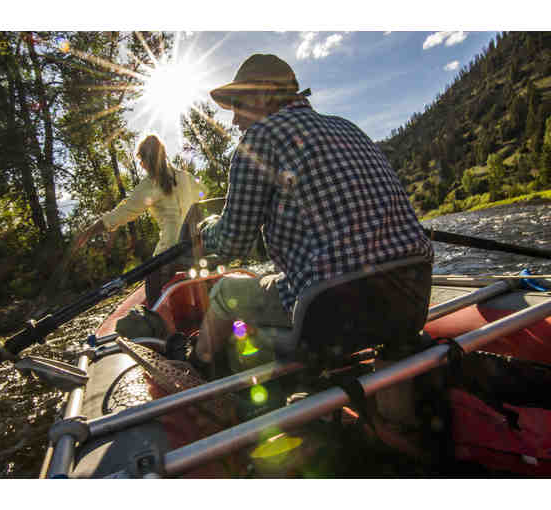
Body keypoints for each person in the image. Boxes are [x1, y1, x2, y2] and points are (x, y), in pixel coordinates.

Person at [190, 54, 434, 368]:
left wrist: (204, 232)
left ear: (264, 94)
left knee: (225, 292)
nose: (234, 119)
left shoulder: (260, 139)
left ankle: (197, 368)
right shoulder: (348, 127)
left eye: (238, 104)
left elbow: (233, 242)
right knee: (285, 278)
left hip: (333, 311)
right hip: (413, 296)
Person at [74, 134, 205, 306]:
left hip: (171, 254)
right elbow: (204, 192)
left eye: (141, 160)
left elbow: (122, 213)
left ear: (145, 160)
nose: (141, 165)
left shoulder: (150, 184)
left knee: (152, 281)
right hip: (198, 249)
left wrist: (88, 232)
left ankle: (156, 323)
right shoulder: (186, 177)